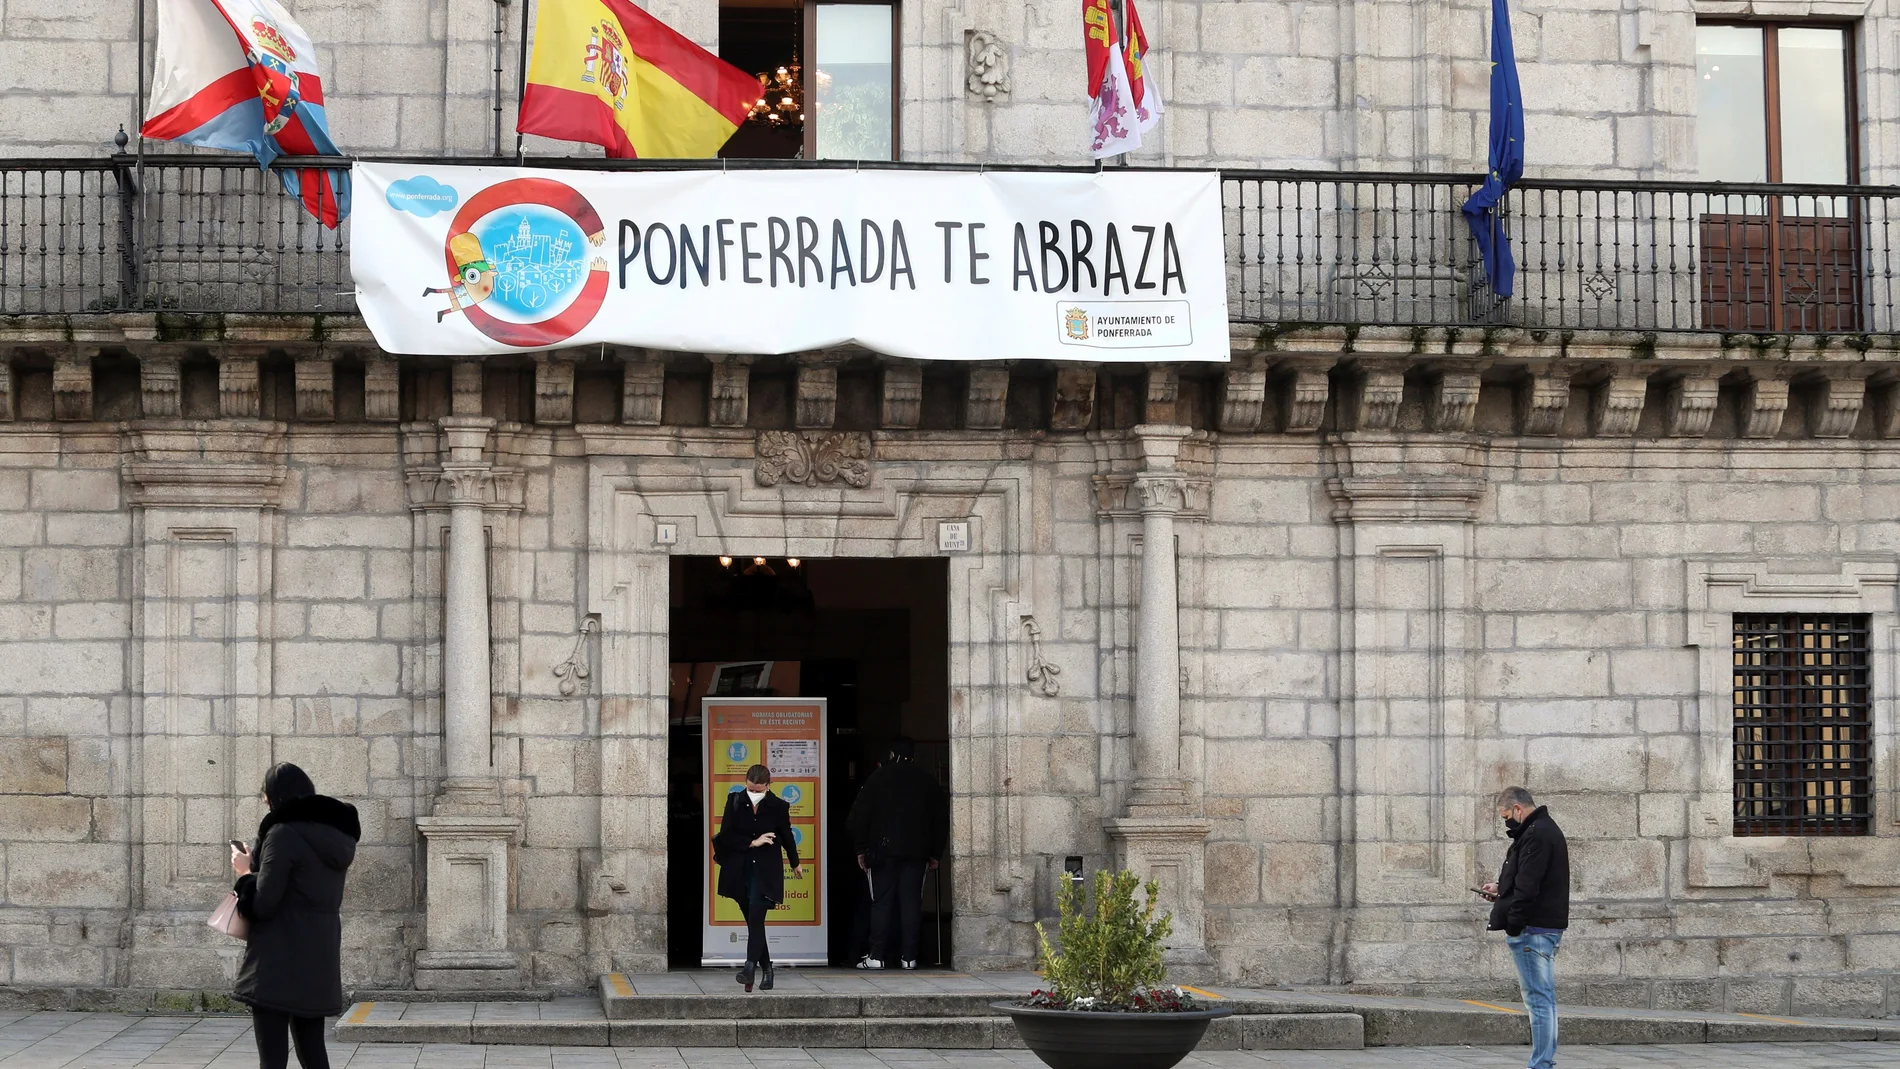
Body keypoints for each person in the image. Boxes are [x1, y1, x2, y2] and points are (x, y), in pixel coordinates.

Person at [229, 763, 360, 1069]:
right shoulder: (336, 837)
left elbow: (263, 904)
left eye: (266, 795)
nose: (264, 801)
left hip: (278, 961)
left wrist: (245, 871)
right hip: (318, 958)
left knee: (272, 1060)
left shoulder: (282, 834)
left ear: (276, 797)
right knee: (313, 1053)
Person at [1481, 786, 1570, 1069]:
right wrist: (1501, 889)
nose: (1506, 821)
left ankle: (1541, 1064)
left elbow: (1528, 888)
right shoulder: (1543, 830)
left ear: (1518, 808)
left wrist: (1514, 926)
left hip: (1533, 929)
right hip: (1543, 927)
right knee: (1544, 999)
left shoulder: (1536, 834)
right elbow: (1528, 879)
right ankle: (1543, 1061)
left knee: (1538, 1001)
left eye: (1506, 815)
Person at [847, 738, 947, 970]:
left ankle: (877, 956)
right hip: (917, 853)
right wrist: (935, 852)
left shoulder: (877, 778)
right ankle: (909, 957)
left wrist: (861, 848)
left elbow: (859, 817)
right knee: (912, 903)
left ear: (890, 754)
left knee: (880, 902)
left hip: (882, 852)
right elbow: (940, 821)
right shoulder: (927, 781)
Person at [712, 764, 802, 992]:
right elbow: (726, 836)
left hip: (765, 871)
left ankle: (749, 967)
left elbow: (787, 835)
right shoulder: (735, 801)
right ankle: (767, 969)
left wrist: (795, 862)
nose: (753, 793)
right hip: (740, 870)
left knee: (755, 918)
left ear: (768, 786)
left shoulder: (778, 807)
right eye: (750, 789)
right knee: (754, 923)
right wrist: (752, 842)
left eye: (758, 789)